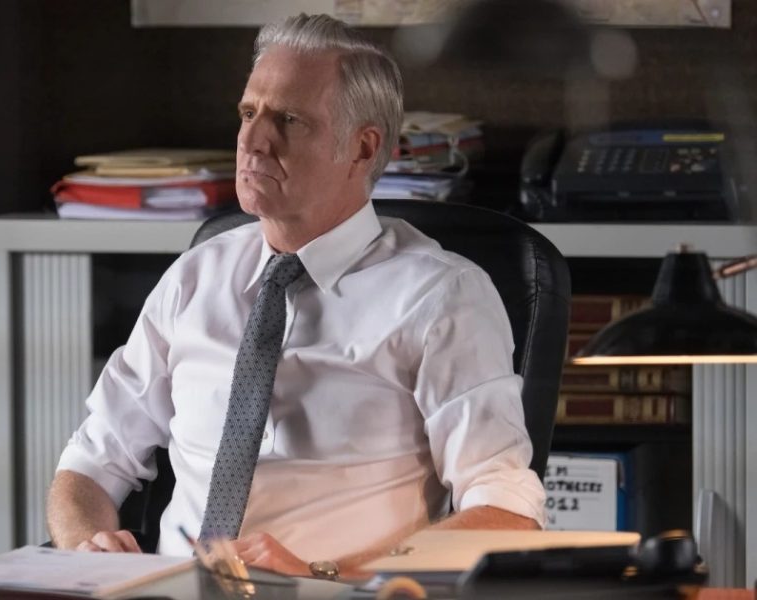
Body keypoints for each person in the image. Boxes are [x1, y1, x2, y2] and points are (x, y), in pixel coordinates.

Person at [47, 13, 546, 578]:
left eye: (288, 119)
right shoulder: (195, 278)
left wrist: (325, 573)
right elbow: (89, 464)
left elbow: (506, 513)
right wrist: (87, 548)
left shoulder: (441, 297)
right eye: (248, 113)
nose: (252, 141)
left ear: (362, 148)